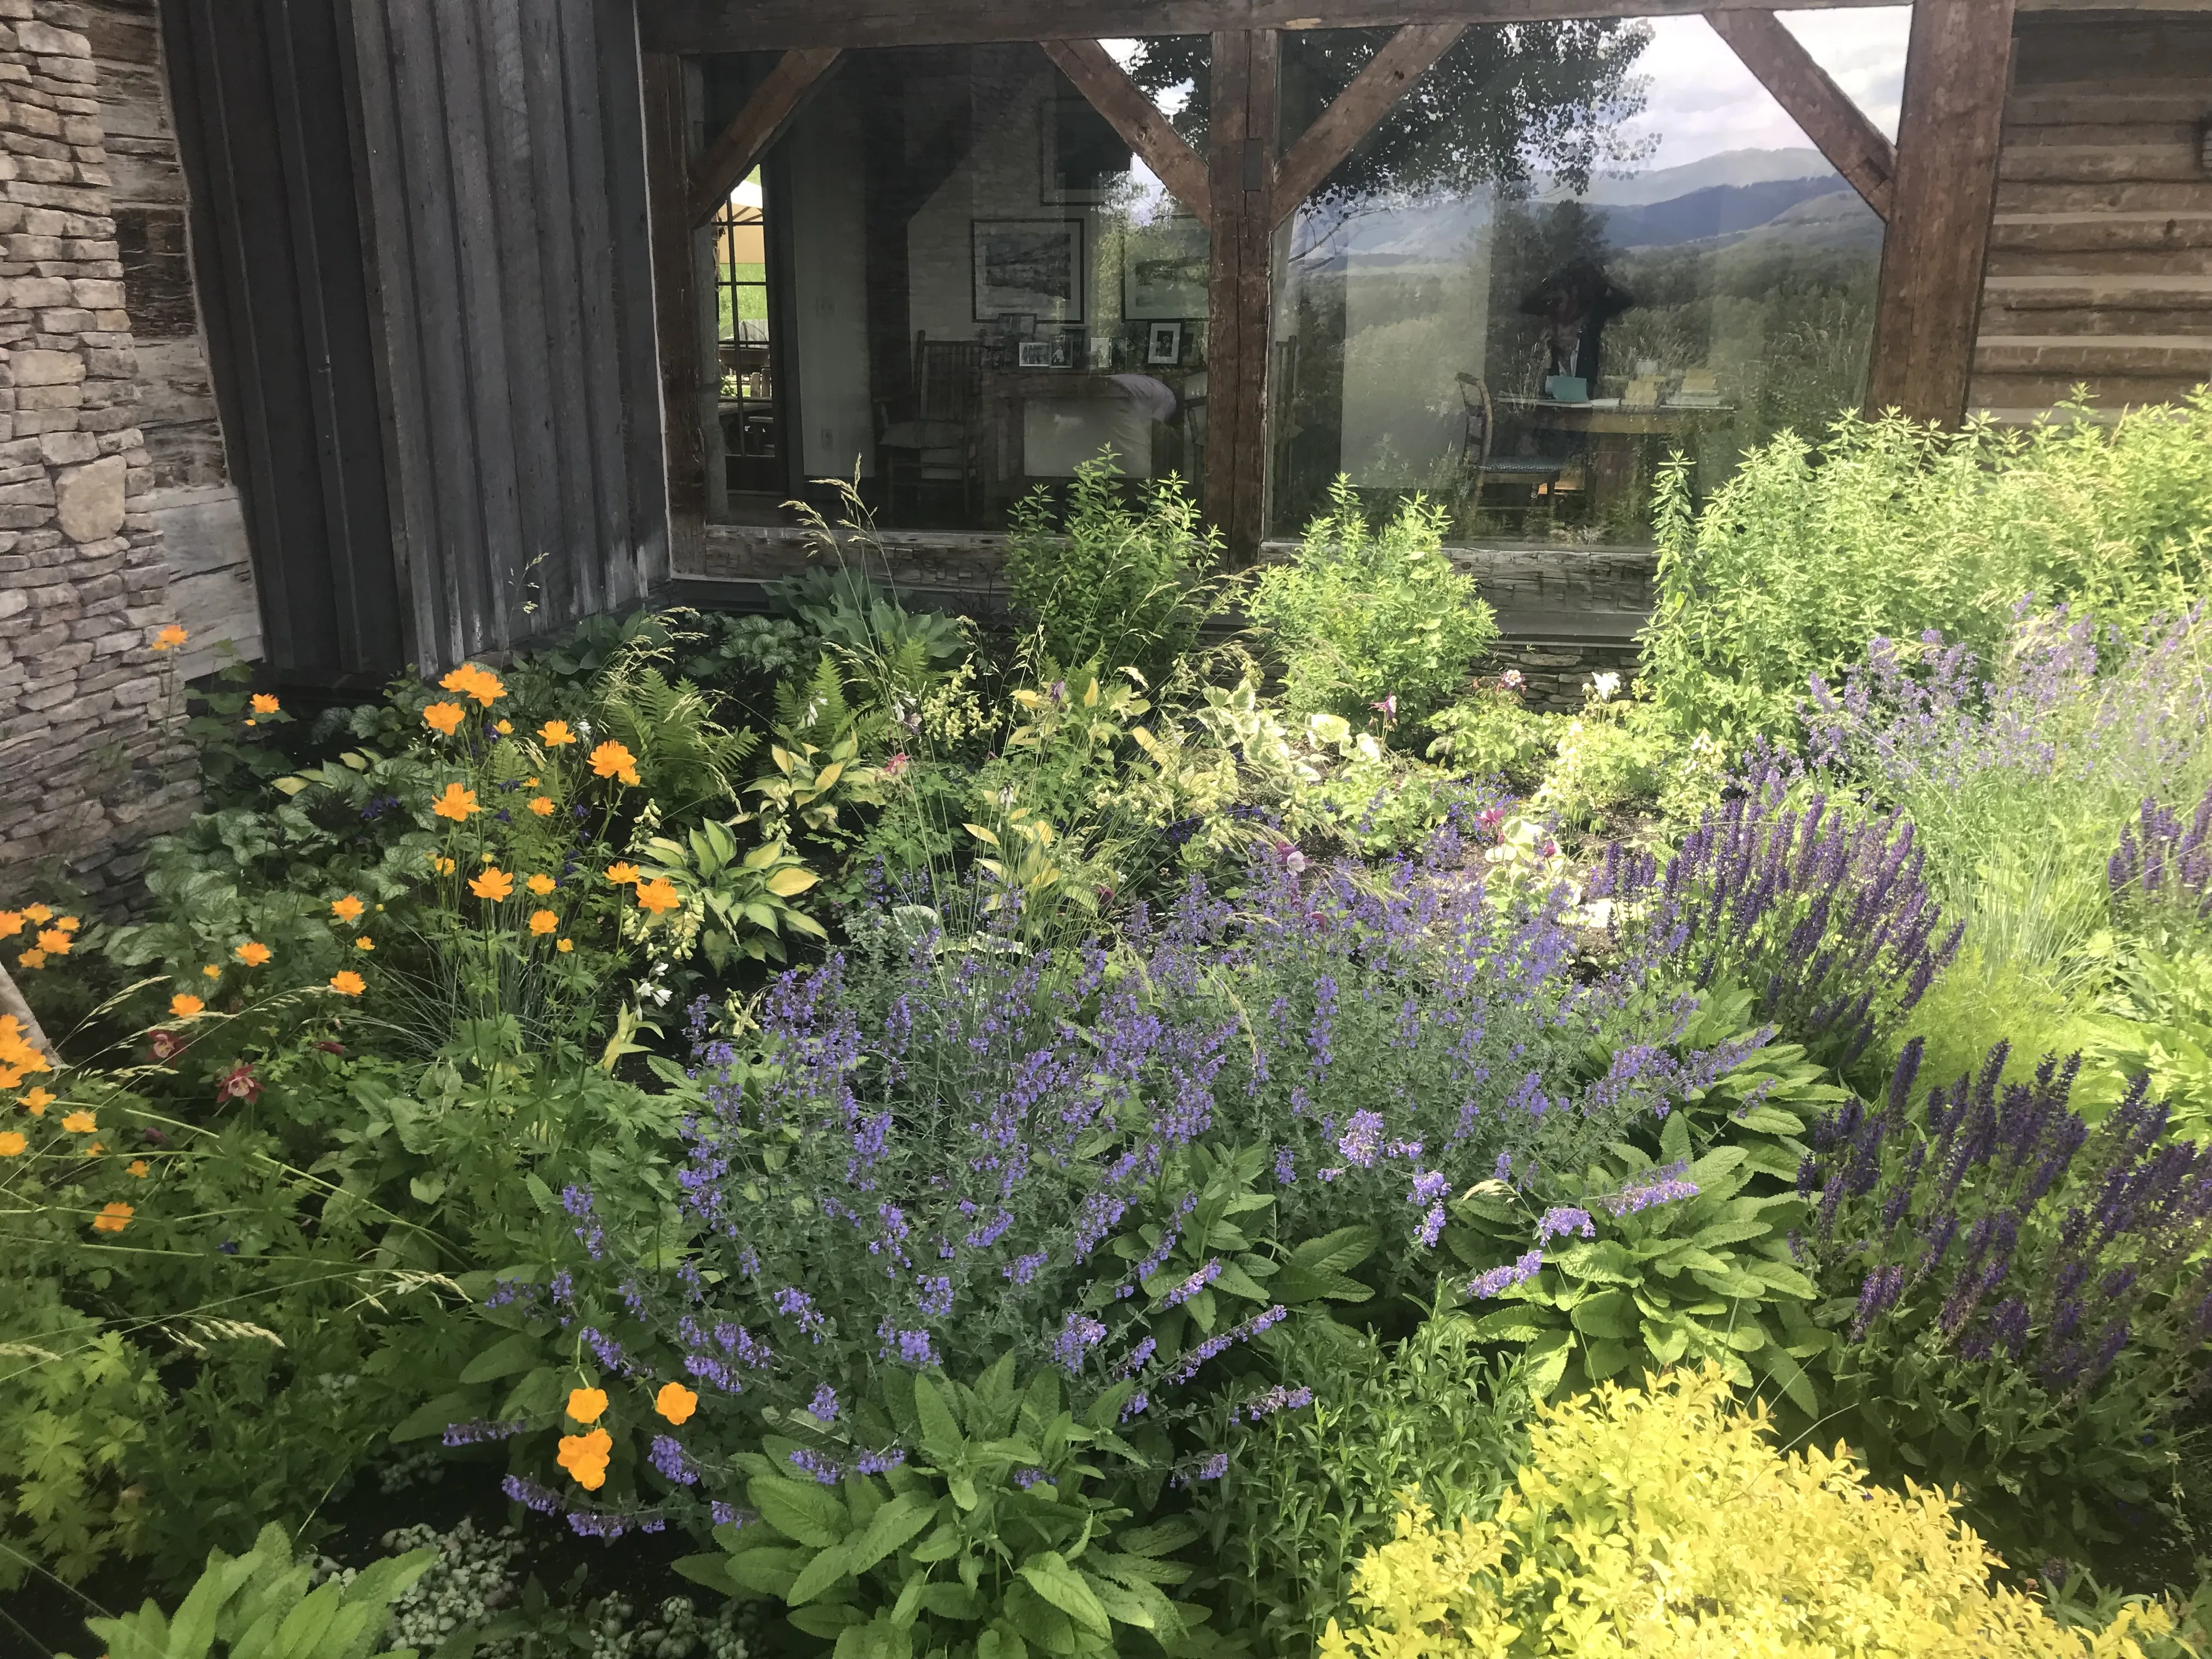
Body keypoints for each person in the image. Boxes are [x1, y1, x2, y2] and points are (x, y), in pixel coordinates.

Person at [1519, 260, 1635, 392]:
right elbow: (1526, 306)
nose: (1564, 310)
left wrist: (1602, 281)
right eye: (1558, 302)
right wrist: (1549, 282)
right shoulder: (1544, 357)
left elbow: (1627, 300)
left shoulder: (1592, 345)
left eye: (1571, 318)